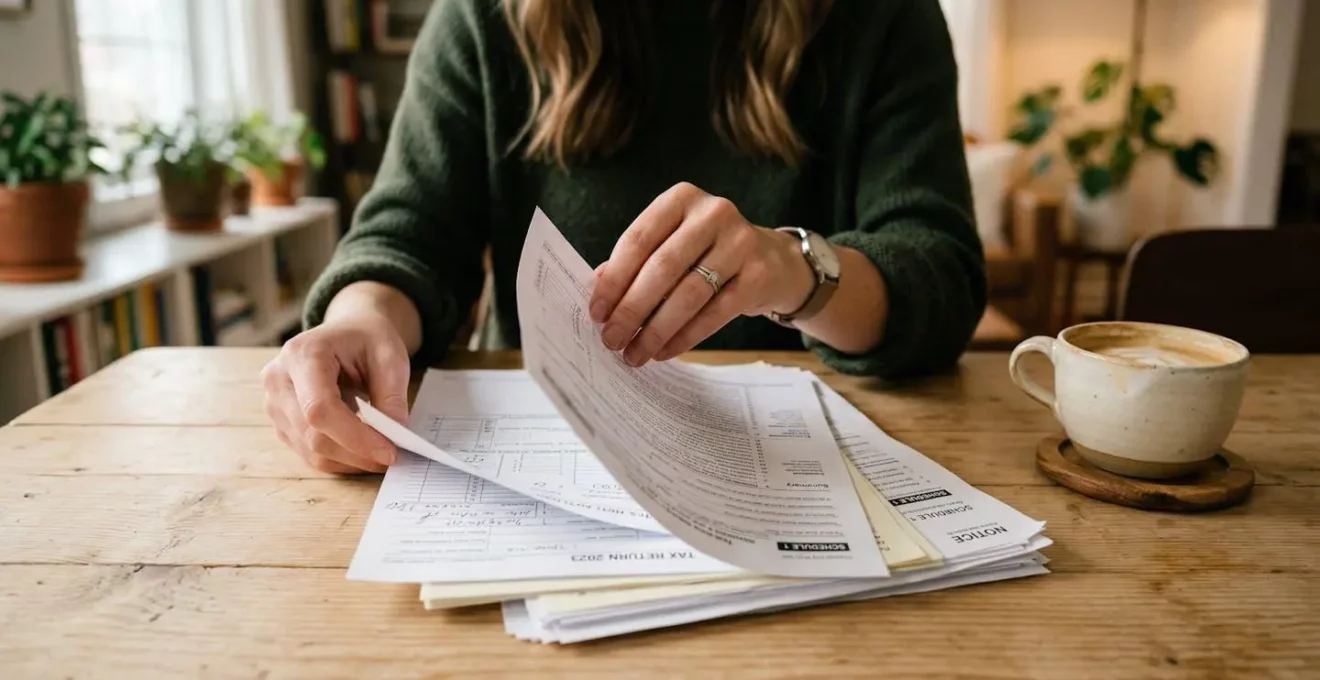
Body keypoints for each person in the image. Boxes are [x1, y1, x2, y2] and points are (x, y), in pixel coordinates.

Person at [261, 0, 986, 475]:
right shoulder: (486, 18)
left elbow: (938, 275)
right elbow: (410, 234)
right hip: (537, 447)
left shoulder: (886, 18)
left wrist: (793, 266)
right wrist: (359, 320)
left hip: (803, 460)